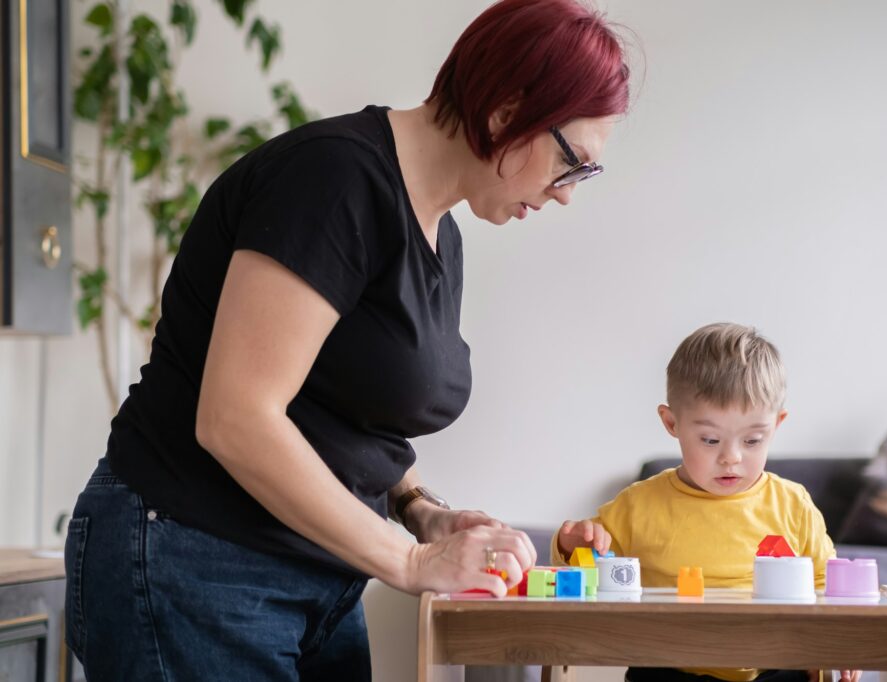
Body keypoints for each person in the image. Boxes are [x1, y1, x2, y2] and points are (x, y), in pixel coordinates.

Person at [63, 1, 632, 679]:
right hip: (196, 558)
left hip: (312, 577)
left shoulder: (439, 232)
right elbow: (236, 418)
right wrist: (413, 563)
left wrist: (423, 513)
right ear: (508, 110)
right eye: (573, 164)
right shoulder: (333, 179)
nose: (568, 194)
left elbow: (347, 410)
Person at [554, 323, 861, 682]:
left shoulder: (792, 503)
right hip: (672, 668)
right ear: (672, 422)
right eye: (711, 440)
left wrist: (837, 643)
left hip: (776, 667)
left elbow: (826, 581)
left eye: (752, 440)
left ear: (777, 425)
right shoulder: (638, 505)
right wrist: (571, 545)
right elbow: (584, 572)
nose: (731, 458)